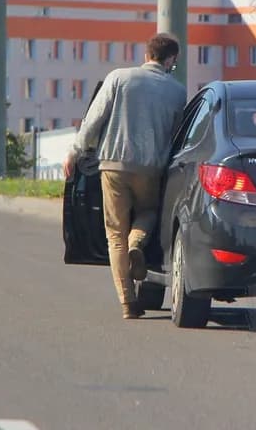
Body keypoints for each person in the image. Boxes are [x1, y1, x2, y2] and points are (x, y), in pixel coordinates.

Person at [64, 34, 187, 320]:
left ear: (146, 56)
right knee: (149, 212)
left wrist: (75, 151)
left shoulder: (118, 78)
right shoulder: (178, 92)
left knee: (113, 234)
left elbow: (94, 119)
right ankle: (137, 244)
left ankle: (127, 302)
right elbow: (177, 134)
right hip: (151, 167)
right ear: (171, 60)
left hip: (113, 166)